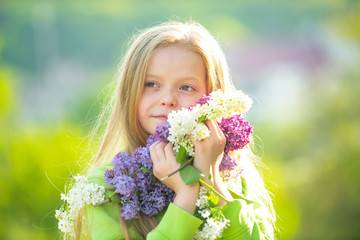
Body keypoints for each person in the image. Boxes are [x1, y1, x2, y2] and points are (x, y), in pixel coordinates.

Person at [74, 21, 276, 240]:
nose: (168, 99)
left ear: (213, 98)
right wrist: (187, 196)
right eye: (151, 84)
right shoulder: (107, 186)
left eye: (186, 87)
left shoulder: (235, 179)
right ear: (129, 91)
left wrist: (210, 179)